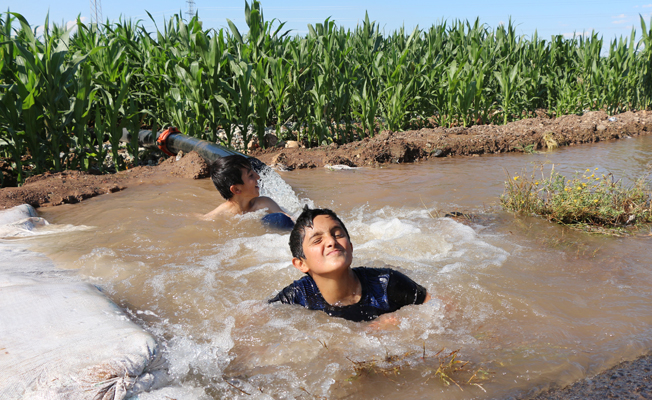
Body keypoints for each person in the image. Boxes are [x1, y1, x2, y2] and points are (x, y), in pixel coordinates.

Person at [269, 207, 431, 322]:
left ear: (351, 247)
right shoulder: (298, 296)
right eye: (318, 240)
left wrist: (402, 320)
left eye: (338, 234)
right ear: (301, 264)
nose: (332, 241)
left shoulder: (386, 284)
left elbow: (438, 308)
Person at [202, 155, 292, 228]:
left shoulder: (264, 203)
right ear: (236, 189)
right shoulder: (218, 217)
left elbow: (291, 219)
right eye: (251, 175)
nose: (258, 176)